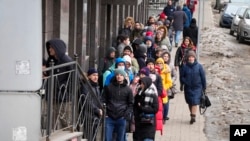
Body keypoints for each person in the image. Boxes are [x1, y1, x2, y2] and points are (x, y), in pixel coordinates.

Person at [44, 38, 73, 129]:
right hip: (52, 96)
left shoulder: (67, 61)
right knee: (50, 123)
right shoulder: (51, 60)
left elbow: (73, 80)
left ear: (57, 48)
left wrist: (63, 89)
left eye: (51, 48)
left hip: (63, 98)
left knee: (66, 123)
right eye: (49, 48)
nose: (49, 50)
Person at [102, 68, 134, 141]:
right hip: (109, 116)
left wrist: (125, 114)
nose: (119, 76)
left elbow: (131, 103)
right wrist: (105, 112)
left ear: (124, 76)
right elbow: (103, 99)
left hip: (121, 117)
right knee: (107, 138)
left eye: (121, 75)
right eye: (117, 75)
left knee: (121, 138)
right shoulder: (109, 87)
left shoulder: (128, 89)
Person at [180, 51, 206, 124]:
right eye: (189, 57)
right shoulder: (184, 67)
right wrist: (183, 83)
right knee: (189, 102)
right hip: (188, 87)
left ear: (194, 58)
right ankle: (192, 114)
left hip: (197, 87)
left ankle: (193, 116)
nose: (191, 58)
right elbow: (181, 77)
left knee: (195, 102)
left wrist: (204, 87)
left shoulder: (199, 66)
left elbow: (203, 77)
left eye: (192, 57)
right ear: (187, 58)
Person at [79, 68, 103, 140]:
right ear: (89, 76)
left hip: (95, 116)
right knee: (90, 137)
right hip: (88, 116)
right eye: (93, 75)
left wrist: (101, 109)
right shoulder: (86, 86)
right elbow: (87, 101)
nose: (96, 77)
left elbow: (99, 99)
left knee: (94, 137)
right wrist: (97, 110)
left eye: (97, 75)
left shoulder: (96, 86)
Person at [133, 76, 159, 141]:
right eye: (141, 83)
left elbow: (155, 109)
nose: (141, 85)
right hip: (139, 122)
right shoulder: (139, 93)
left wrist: (142, 108)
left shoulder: (152, 94)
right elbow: (135, 105)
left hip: (149, 122)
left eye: (143, 83)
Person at [155, 57, 172, 124]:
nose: (159, 64)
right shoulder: (155, 71)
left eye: (161, 63)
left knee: (165, 105)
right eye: (158, 63)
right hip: (156, 91)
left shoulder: (166, 71)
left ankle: (164, 117)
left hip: (164, 91)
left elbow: (169, 82)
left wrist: (163, 87)